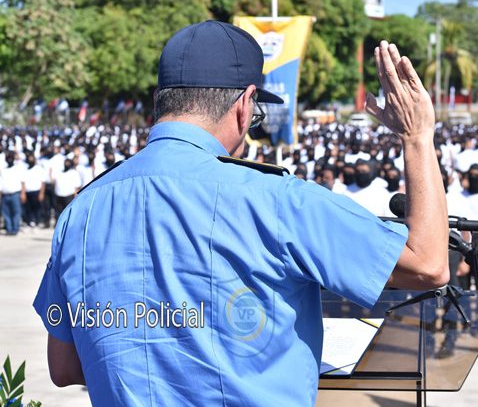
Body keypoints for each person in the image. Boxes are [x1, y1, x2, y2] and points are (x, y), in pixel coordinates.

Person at [32, 22, 449, 406]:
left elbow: (64, 368)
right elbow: (429, 265)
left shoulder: (81, 211)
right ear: (245, 105)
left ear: (160, 101)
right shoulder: (277, 200)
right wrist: (416, 137)